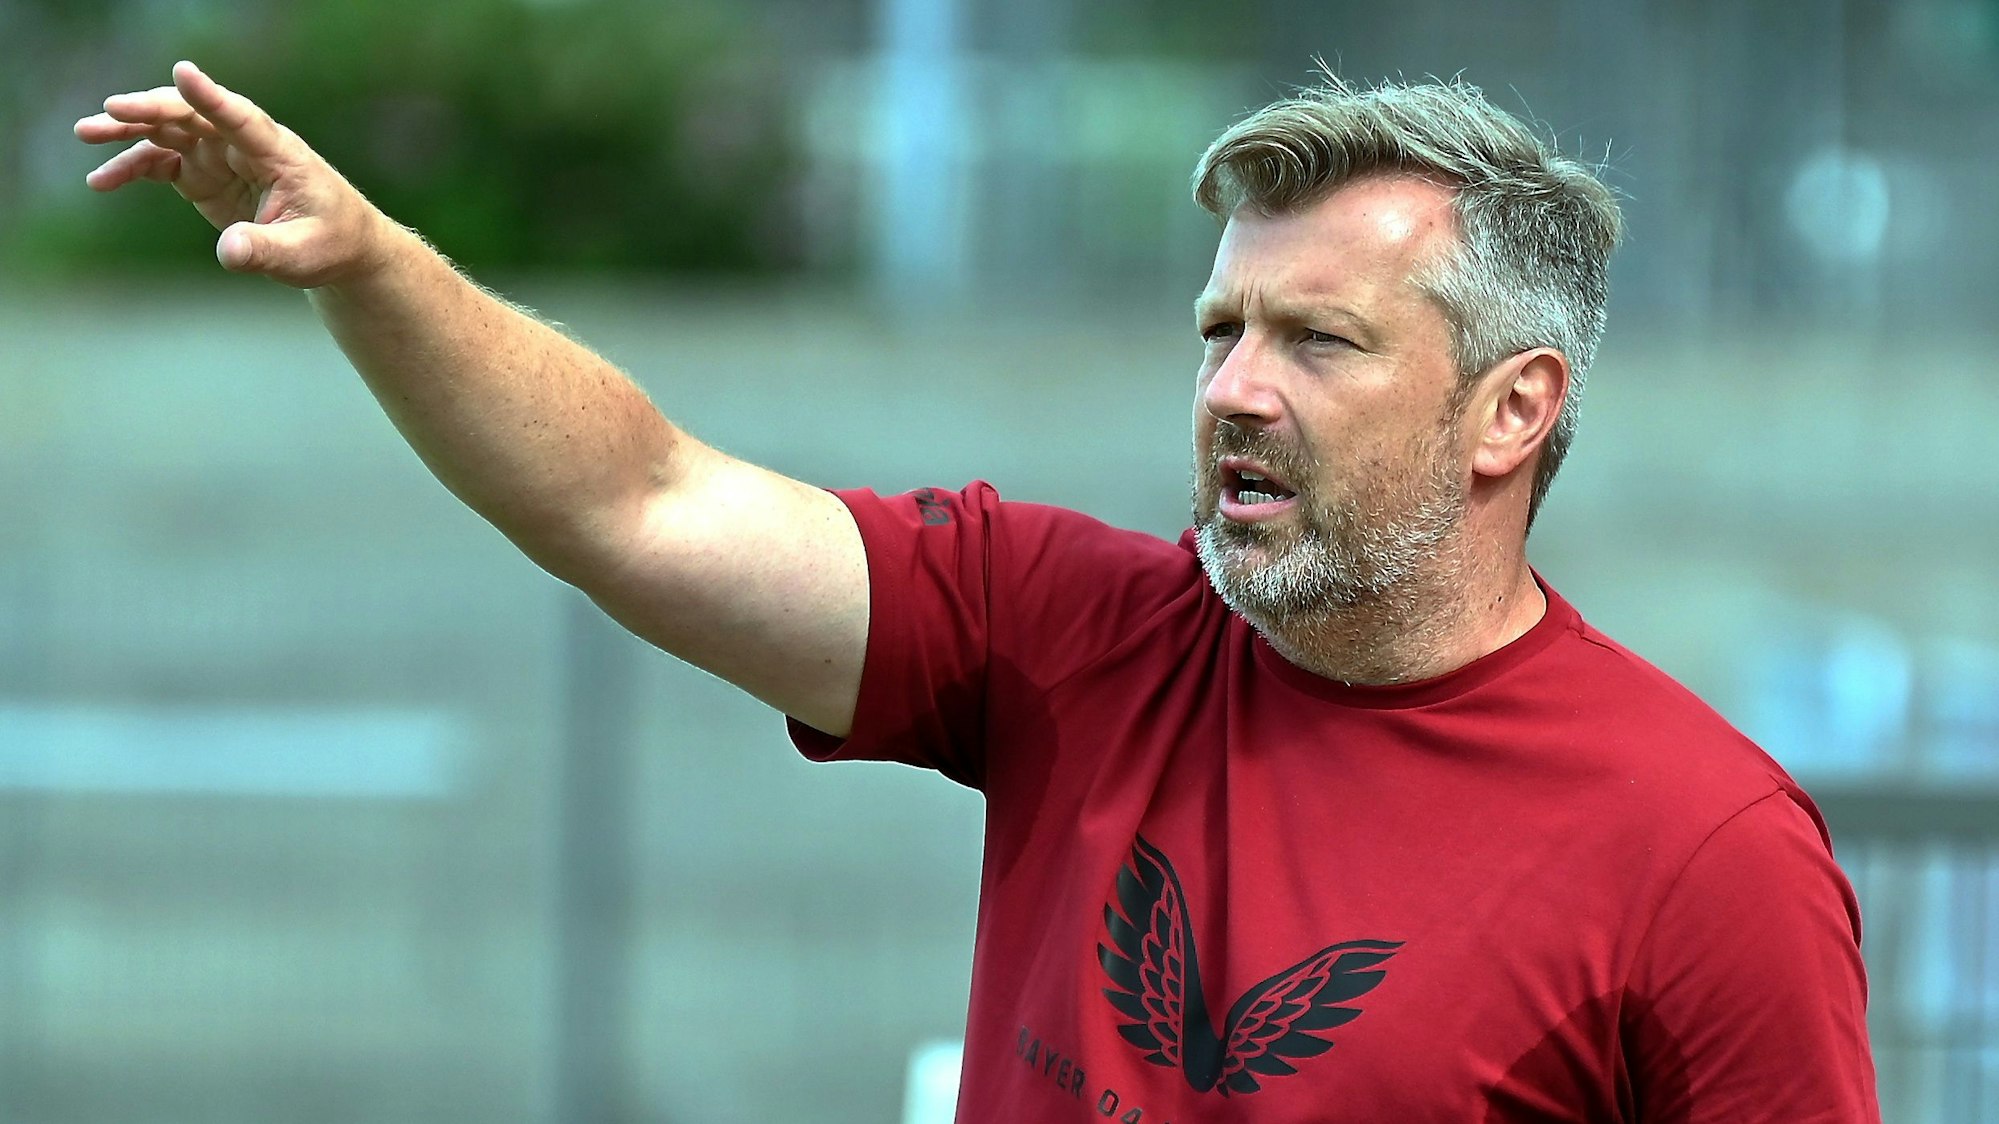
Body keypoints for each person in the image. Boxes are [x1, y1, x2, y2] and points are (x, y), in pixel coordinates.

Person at [78, 63, 1879, 1121]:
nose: (1235, 389)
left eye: (1319, 340)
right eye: (1220, 331)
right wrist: (372, 266)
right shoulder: (1070, 629)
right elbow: (637, 501)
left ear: (1513, 411)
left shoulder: (1701, 847)